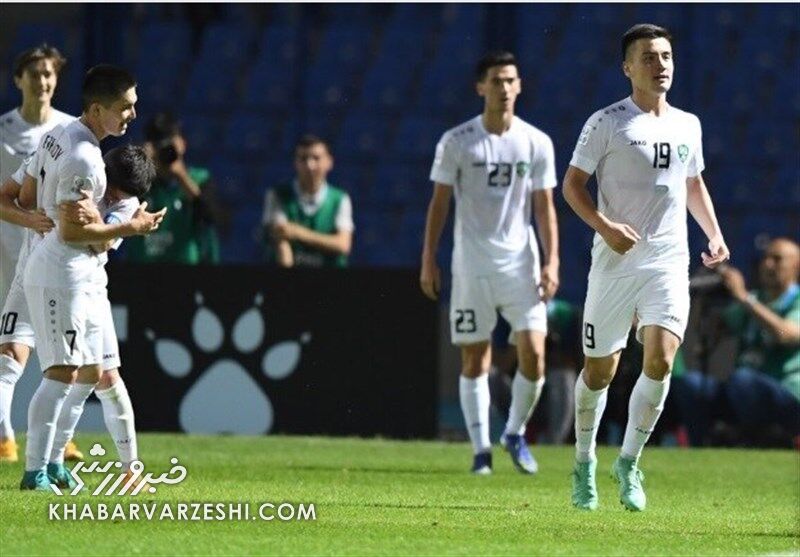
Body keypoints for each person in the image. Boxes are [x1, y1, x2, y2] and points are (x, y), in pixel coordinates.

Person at [563, 24, 730, 511]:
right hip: (615, 262)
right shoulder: (607, 122)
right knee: (600, 372)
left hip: (667, 261)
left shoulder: (688, 124)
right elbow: (572, 186)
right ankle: (583, 460)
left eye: (666, 56)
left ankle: (629, 463)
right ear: (627, 67)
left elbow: (692, 184)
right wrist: (604, 226)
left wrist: (714, 234)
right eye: (649, 57)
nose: (661, 65)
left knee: (660, 358)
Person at [18, 64, 165, 491]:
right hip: (60, 270)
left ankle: (64, 465)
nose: (132, 115)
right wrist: (129, 227)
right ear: (98, 108)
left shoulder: (58, 134)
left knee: (92, 373)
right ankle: (35, 471)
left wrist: (63, 212)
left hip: (78, 273)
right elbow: (72, 232)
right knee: (63, 371)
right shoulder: (86, 158)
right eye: (125, 107)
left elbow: (28, 196)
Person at [420, 51, 560, 475]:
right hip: (471, 266)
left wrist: (552, 261)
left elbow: (545, 208)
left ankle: (514, 432)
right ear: (480, 87)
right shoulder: (457, 141)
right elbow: (439, 204)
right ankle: (481, 450)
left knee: (534, 354)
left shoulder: (536, 141)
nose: (504, 88)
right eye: (496, 81)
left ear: (519, 86)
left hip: (521, 263)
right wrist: (429, 257)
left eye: (511, 80)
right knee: (475, 360)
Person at [0, 44, 76, 462]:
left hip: (50, 253)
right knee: (9, 348)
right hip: (4, 252)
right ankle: (5, 435)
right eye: (34, 74)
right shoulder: (3, 130)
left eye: (49, 74)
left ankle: (57, 438)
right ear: (18, 80)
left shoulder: (68, 130)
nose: (43, 82)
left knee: (57, 347)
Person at [675, 238, 800, 445]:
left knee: (742, 380)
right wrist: (709, 293)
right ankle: (701, 452)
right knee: (690, 385)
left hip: (786, 394)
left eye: (777, 259)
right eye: (766, 258)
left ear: (796, 266)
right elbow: (712, 330)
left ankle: (758, 441)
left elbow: (785, 334)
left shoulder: (794, 300)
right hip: (742, 393)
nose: (768, 264)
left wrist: (743, 298)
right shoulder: (756, 297)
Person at [125, 112, 221, 264]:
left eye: (169, 143)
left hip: (187, 269)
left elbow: (212, 217)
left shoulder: (200, 178)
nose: (165, 150)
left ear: (182, 143)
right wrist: (143, 167)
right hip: (144, 269)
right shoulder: (142, 185)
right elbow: (121, 208)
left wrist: (181, 175)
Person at [262, 134, 354, 268]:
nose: (310, 165)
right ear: (295, 163)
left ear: (329, 162)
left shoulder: (340, 199)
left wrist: (299, 233)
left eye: (316, 158)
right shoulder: (277, 195)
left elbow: (343, 245)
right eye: (303, 159)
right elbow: (281, 241)